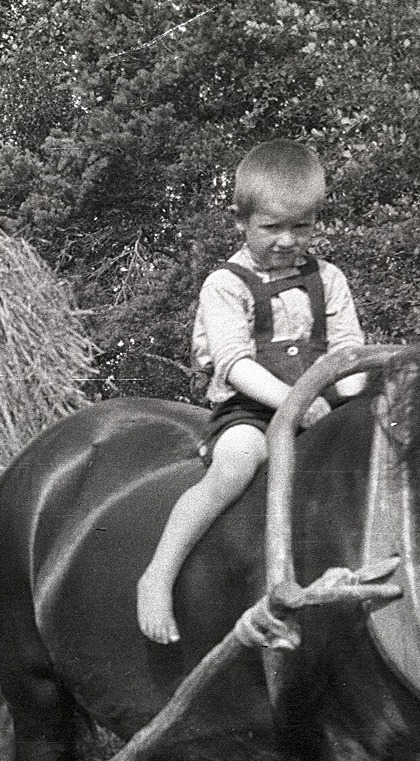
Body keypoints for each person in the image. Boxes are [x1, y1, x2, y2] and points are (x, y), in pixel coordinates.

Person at [135, 140, 368, 644]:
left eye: (301, 226)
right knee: (238, 461)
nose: (287, 240)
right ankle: (158, 574)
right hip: (253, 410)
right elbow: (236, 365)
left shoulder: (329, 279)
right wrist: (298, 403)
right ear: (240, 220)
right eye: (272, 227)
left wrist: (355, 397)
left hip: (323, 405)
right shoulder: (226, 284)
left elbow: (349, 353)